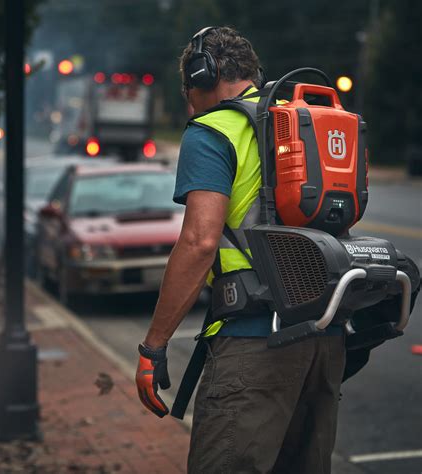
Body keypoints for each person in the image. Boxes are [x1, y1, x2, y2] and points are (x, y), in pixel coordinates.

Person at [136, 26, 346, 474]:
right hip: (324, 340)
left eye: (187, 90)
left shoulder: (213, 130)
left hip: (254, 343)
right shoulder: (302, 122)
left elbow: (199, 242)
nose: (188, 102)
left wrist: (153, 346)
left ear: (202, 75)